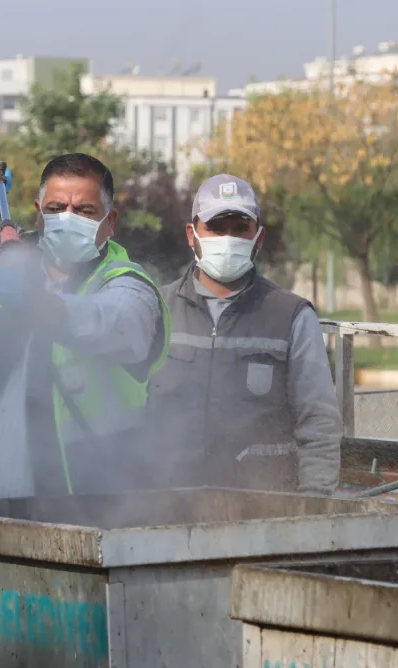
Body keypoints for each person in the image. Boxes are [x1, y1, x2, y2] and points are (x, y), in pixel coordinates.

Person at [0, 153, 171, 502]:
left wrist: (34, 301)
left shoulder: (128, 285)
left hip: (73, 522)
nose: (67, 219)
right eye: (56, 207)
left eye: (85, 210)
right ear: (38, 212)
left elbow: (109, 320)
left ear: (110, 221)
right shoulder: (6, 257)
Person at [147, 174, 342, 496]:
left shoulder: (291, 316)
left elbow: (319, 423)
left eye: (240, 229)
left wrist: (313, 505)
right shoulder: (156, 309)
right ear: (191, 234)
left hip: (263, 508)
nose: (228, 239)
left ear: (258, 238)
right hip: (167, 503)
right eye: (216, 228)